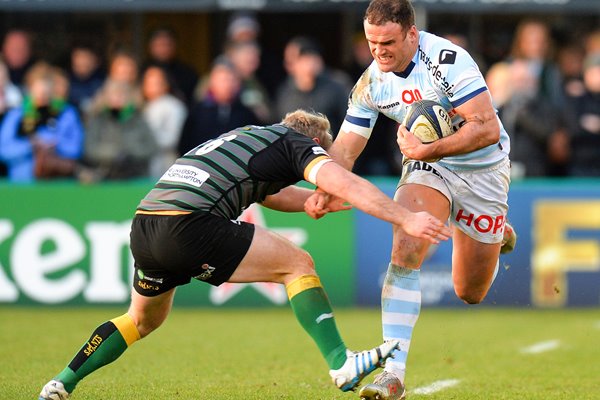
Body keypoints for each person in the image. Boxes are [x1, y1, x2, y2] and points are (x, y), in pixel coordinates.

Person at [38, 109, 452, 399]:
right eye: (320, 155)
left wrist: (314, 201)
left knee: (141, 320)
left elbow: (270, 192)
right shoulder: (295, 143)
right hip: (190, 224)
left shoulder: (250, 137)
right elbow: (345, 182)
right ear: (312, 143)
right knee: (297, 264)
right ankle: (342, 362)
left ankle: (62, 382)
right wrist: (404, 217)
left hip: (147, 223)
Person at [304, 1, 517, 399]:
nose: (379, 51)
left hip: (483, 173)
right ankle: (393, 374)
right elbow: (347, 151)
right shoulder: (371, 83)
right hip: (428, 169)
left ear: (412, 35)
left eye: (388, 42)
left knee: (470, 291)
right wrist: (324, 188)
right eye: (371, 43)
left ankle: (487, 229)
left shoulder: (448, 62)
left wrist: (431, 150)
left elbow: (486, 128)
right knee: (405, 242)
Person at [0, 62, 83, 182]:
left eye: (46, 89)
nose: (42, 95)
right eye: (38, 89)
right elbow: (3, 150)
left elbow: (75, 148)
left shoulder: (66, 113)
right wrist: (30, 145)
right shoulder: (17, 114)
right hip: (21, 184)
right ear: (30, 88)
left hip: (56, 182)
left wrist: (53, 143)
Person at [179, 57, 259, 155]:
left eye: (232, 80)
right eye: (224, 80)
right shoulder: (197, 112)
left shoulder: (246, 114)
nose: (228, 85)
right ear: (212, 82)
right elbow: (185, 145)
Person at [141, 65, 187, 178]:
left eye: (156, 82)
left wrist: (143, 140)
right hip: (143, 162)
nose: (152, 86)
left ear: (166, 83)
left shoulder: (174, 106)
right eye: (149, 82)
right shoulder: (142, 105)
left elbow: (172, 139)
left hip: (165, 161)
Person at [143, 27, 199, 107]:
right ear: (151, 46)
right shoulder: (143, 70)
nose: (163, 49)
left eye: (167, 44)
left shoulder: (187, 73)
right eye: (159, 45)